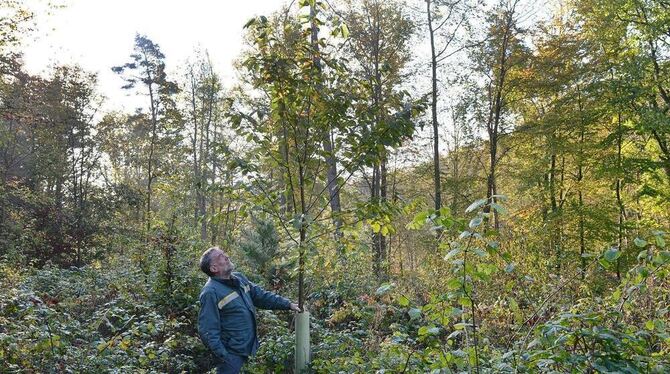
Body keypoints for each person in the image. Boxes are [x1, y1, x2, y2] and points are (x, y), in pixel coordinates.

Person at [198, 246, 300, 374]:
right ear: (214, 268)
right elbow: (208, 331)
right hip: (232, 356)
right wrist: (224, 355)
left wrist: (288, 304)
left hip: (250, 349)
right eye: (221, 257)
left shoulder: (239, 279)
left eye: (224, 254)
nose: (226, 257)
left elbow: (261, 296)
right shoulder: (210, 292)